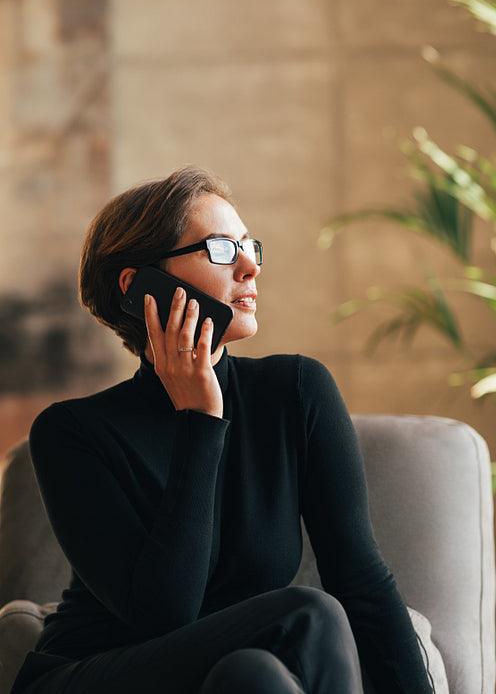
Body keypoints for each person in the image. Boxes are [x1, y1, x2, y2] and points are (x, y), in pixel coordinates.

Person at [11, 166, 433, 694]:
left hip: (232, 671)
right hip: (101, 672)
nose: (250, 266)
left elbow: (363, 582)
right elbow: (164, 615)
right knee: (307, 614)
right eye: (219, 249)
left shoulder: (297, 392)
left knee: (253, 674)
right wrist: (201, 422)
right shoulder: (70, 433)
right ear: (140, 285)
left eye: (249, 245)